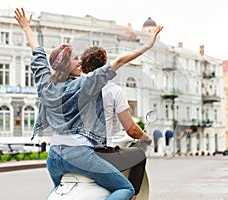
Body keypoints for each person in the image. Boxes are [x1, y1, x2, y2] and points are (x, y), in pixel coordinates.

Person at [14, 7, 163, 200]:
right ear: (67, 65)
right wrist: (148, 46)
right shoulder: (83, 85)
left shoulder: (45, 83)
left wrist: (26, 27)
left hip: (54, 158)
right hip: (78, 155)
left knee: (59, 188)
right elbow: (119, 61)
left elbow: (37, 52)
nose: (80, 63)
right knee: (125, 189)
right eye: (76, 59)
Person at [80, 46, 152, 199]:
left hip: (75, 152)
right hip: (99, 154)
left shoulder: (75, 87)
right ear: (105, 65)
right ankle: (132, 196)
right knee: (139, 155)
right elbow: (131, 130)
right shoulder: (113, 90)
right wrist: (146, 138)